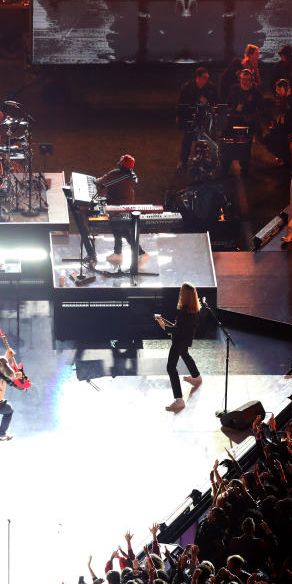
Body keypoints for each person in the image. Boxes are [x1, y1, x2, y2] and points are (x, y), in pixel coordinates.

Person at [94, 154, 149, 270]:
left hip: (115, 206)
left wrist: (94, 181)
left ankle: (136, 253)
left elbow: (99, 181)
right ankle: (119, 253)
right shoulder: (131, 176)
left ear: (121, 164)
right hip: (128, 206)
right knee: (121, 230)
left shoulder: (114, 174)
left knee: (120, 230)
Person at [157, 283, 203, 413]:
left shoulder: (183, 311)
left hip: (178, 341)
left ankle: (179, 400)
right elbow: (181, 327)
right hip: (185, 341)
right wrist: (165, 321)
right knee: (185, 355)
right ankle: (197, 377)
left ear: (185, 295)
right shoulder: (194, 309)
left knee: (171, 367)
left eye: (181, 292)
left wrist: (163, 326)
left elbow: (177, 330)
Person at [177, 67, 218, 168]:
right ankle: (183, 161)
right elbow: (181, 104)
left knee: (205, 139)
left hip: (206, 118)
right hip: (191, 117)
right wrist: (180, 117)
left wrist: (208, 104)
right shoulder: (187, 88)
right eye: (204, 77)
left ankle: (203, 159)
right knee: (187, 139)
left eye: (207, 77)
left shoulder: (211, 88)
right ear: (198, 77)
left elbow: (216, 102)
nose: (206, 80)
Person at [226, 69, 264, 175]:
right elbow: (228, 102)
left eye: (247, 79)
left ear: (251, 80)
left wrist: (252, 117)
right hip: (234, 120)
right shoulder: (234, 89)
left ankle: (245, 168)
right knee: (231, 143)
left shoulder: (255, 92)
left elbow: (261, 108)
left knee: (246, 145)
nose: (244, 81)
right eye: (242, 79)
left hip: (248, 122)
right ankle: (228, 164)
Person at [262, 78, 292, 168]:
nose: (277, 92)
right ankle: (283, 158)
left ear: (286, 89)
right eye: (277, 89)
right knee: (268, 140)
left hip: (289, 129)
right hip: (280, 128)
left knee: (283, 144)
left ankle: (287, 163)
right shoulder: (280, 100)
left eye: (280, 90)